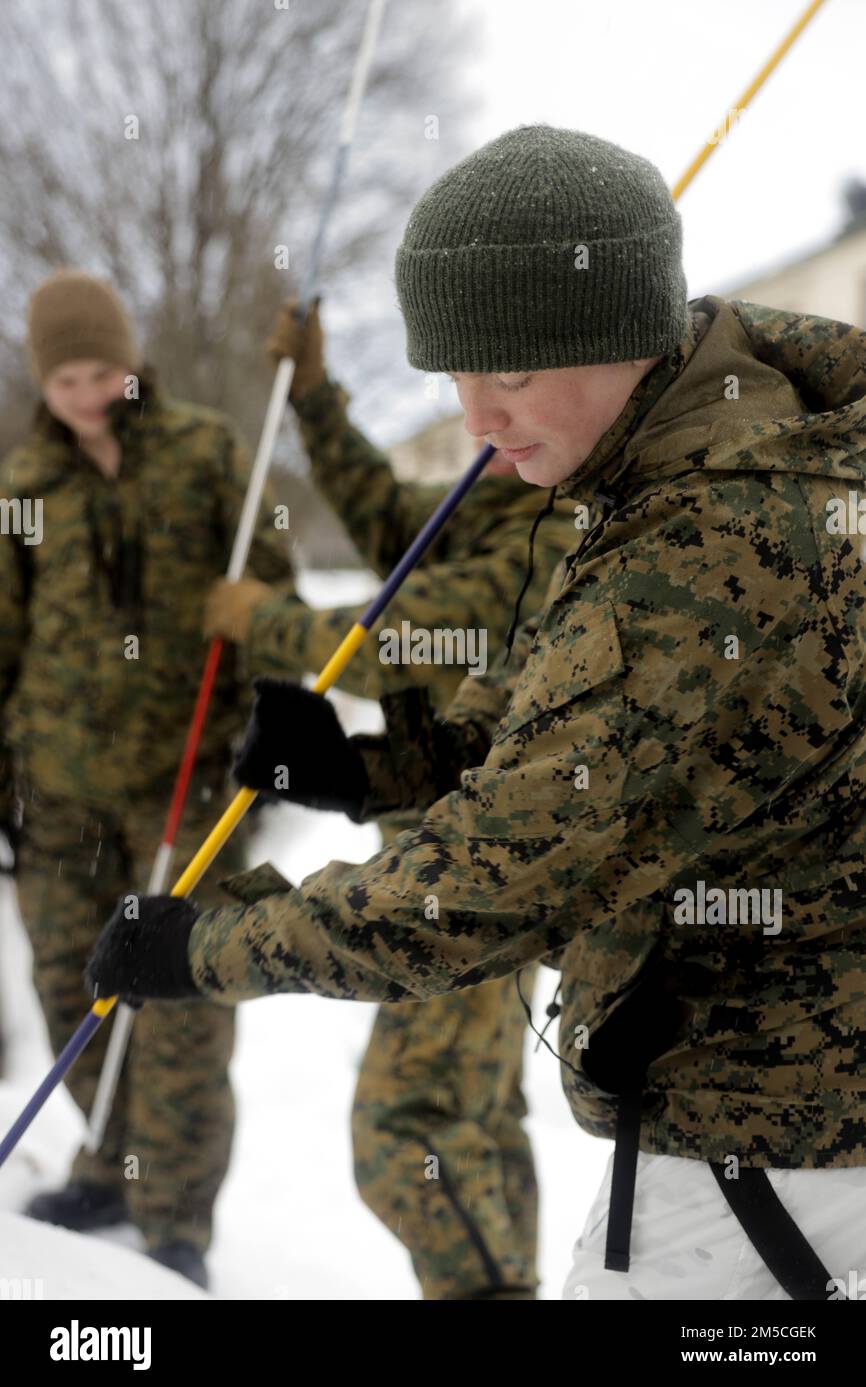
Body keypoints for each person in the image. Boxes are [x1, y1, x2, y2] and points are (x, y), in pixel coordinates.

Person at [87, 125, 866, 1301]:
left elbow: (474, 893)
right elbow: (604, 750)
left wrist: (203, 944)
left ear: (606, 334)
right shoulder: (691, 456)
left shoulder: (701, 545)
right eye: (454, 375)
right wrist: (369, 770)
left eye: (504, 371)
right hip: (771, 1122)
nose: (475, 420)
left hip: (756, 1141)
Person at [203, 299, 577, 1299]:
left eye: (514, 396)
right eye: (470, 400)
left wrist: (265, 622)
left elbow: (407, 631)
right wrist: (318, 396)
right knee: (474, 1119)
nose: (483, 427)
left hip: (482, 871)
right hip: (441, 844)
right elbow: (379, 512)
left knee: (405, 1127)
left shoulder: (556, 534)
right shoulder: (486, 500)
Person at [0, 269, 294, 1289]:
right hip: (60, 785)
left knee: (181, 1003)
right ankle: (110, 1167)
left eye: (103, 369)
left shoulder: (206, 452)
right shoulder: (24, 486)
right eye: (67, 375)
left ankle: (174, 1217)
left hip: (189, 780)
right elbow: (2, 635)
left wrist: (268, 706)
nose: (87, 391)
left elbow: (273, 597)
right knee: (68, 987)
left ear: (131, 362)